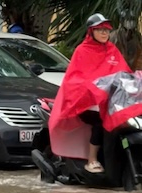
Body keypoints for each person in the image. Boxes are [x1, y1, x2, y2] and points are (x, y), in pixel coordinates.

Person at [48, 13, 132, 173]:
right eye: (99, 29)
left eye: (106, 30)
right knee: (101, 124)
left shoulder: (113, 50)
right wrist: (94, 89)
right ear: (91, 31)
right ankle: (92, 160)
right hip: (86, 105)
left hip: (109, 103)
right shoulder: (82, 51)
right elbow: (74, 79)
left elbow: (123, 72)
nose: (104, 33)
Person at [110, 2, 142, 70]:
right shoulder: (114, 37)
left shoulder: (138, 38)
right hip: (117, 73)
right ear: (122, 20)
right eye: (127, 20)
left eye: (132, 20)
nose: (130, 22)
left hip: (135, 74)